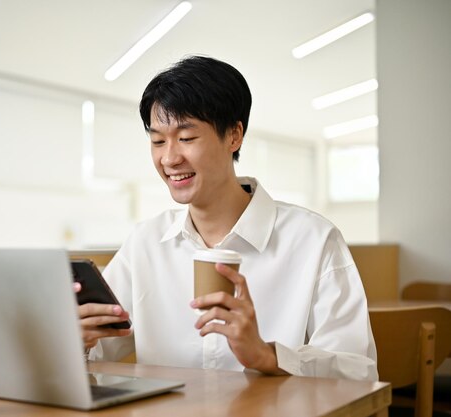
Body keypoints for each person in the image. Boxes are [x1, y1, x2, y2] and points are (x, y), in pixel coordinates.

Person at [76, 55, 378, 380]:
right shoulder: (146, 243)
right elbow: (99, 346)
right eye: (158, 140)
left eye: (187, 138)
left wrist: (267, 355)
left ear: (234, 135)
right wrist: (78, 339)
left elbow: (358, 372)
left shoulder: (314, 239)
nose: (169, 157)